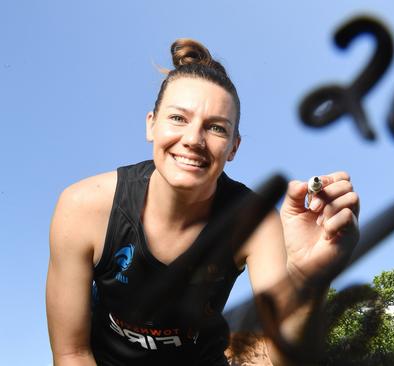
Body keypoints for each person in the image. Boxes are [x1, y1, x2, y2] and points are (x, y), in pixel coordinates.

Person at [46, 38, 360, 366]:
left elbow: (280, 358)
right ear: (151, 124)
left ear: (234, 148)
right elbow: (72, 353)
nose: (194, 140)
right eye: (178, 119)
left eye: (215, 128)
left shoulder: (255, 221)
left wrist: (306, 281)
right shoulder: (83, 207)